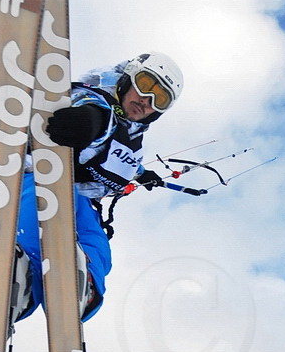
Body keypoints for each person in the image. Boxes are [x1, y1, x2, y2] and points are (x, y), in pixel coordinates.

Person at [11, 51, 184, 327]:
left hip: (85, 204)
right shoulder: (97, 97)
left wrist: (142, 174)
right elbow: (94, 111)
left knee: (99, 248)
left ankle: (83, 284)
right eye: (145, 85)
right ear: (128, 79)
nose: (146, 100)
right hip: (43, 180)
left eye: (159, 99)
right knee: (38, 224)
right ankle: (23, 280)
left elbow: (116, 155)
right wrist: (86, 123)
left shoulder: (133, 137)